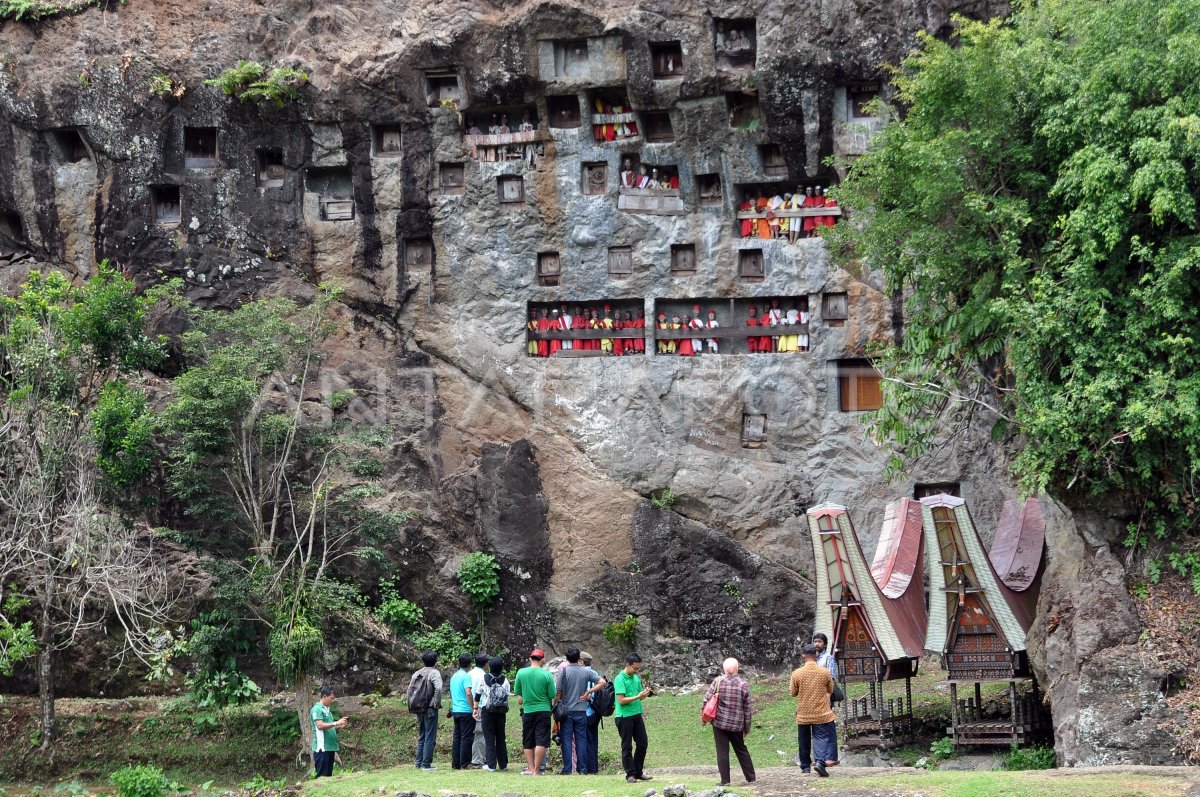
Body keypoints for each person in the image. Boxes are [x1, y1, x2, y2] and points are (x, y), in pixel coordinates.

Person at [703, 658, 755, 786]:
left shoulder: (718, 681)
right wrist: (747, 727)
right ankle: (751, 777)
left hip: (719, 723)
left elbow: (706, 699)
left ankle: (725, 780)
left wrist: (704, 718)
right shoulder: (743, 684)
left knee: (722, 750)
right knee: (741, 749)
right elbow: (747, 709)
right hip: (737, 724)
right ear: (737, 669)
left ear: (724, 669)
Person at [556, 647, 607, 774]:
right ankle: (582, 769)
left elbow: (558, 693)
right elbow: (602, 682)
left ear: (567, 659)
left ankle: (567, 768)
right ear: (578, 658)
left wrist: (556, 706)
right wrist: (588, 692)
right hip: (581, 710)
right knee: (581, 739)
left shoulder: (563, 672)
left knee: (566, 740)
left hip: (566, 711)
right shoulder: (585, 671)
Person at [790, 644, 838, 777]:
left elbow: (793, 692)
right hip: (821, 713)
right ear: (816, 655)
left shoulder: (796, 673)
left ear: (803, 656)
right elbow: (830, 689)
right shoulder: (825, 672)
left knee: (803, 739)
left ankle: (805, 766)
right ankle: (819, 763)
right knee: (821, 738)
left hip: (803, 713)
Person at [513, 648, 556, 775]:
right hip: (543, 710)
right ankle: (537, 770)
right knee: (541, 740)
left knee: (528, 740)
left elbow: (518, 693)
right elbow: (552, 694)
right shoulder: (546, 674)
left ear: (530, 659)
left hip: (528, 710)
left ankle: (530, 768)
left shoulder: (521, 673)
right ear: (542, 660)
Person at [614, 652, 653, 784]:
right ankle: (630, 774)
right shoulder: (619, 679)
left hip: (636, 714)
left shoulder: (636, 678)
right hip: (624, 716)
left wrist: (644, 694)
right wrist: (637, 696)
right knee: (627, 746)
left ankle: (638, 771)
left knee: (642, 743)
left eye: (638, 668)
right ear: (628, 665)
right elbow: (621, 700)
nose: (637, 671)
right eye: (635, 668)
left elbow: (639, 696)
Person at [410, 650, 443, 771]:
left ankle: (418, 762)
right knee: (430, 735)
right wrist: (436, 703)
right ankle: (426, 764)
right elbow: (438, 688)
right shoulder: (434, 673)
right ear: (435, 660)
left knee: (422, 735)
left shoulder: (417, 673)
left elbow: (410, 690)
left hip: (418, 708)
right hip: (430, 708)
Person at [480, 656, 510, 771]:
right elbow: (507, 694)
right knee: (501, 736)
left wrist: (475, 707)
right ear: (501, 667)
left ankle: (491, 765)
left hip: (487, 710)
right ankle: (503, 764)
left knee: (489, 737)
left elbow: (478, 693)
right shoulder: (505, 680)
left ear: (490, 666)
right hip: (501, 711)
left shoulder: (484, 678)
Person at [311, 685, 348, 778]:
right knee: (322, 777)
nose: (332, 701)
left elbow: (329, 728)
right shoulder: (317, 709)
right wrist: (336, 723)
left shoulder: (328, 711)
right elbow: (319, 726)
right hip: (322, 748)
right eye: (331, 698)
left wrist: (339, 727)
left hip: (330, 747)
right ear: (324, 696)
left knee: (328, 776)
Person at [450, 653, 476, 769]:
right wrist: (473, 707)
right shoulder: (466, 676)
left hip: (456, 710)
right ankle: (465, 763)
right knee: (466, 737)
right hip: (465, 710)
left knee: (457, 737)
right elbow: (468, 692)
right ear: (470, 664)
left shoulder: (454, 676)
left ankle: (456, 763)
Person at [581, 652, 602, 773]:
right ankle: (594, 767)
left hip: (587, 710)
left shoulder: (585, 674)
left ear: (581, 662)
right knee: (593, 739)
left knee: (587, 740)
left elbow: (588, 694)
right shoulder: (595, 673)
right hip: (596, 711)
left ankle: (590, 768)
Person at [470, 653, 489, 767]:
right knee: (480, 733)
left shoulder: (469, 673)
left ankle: (478, 757)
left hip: (469, 706)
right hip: (480, 706)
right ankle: (477, 760)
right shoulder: (484, 676)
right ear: (486, 664)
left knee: (472, 733)